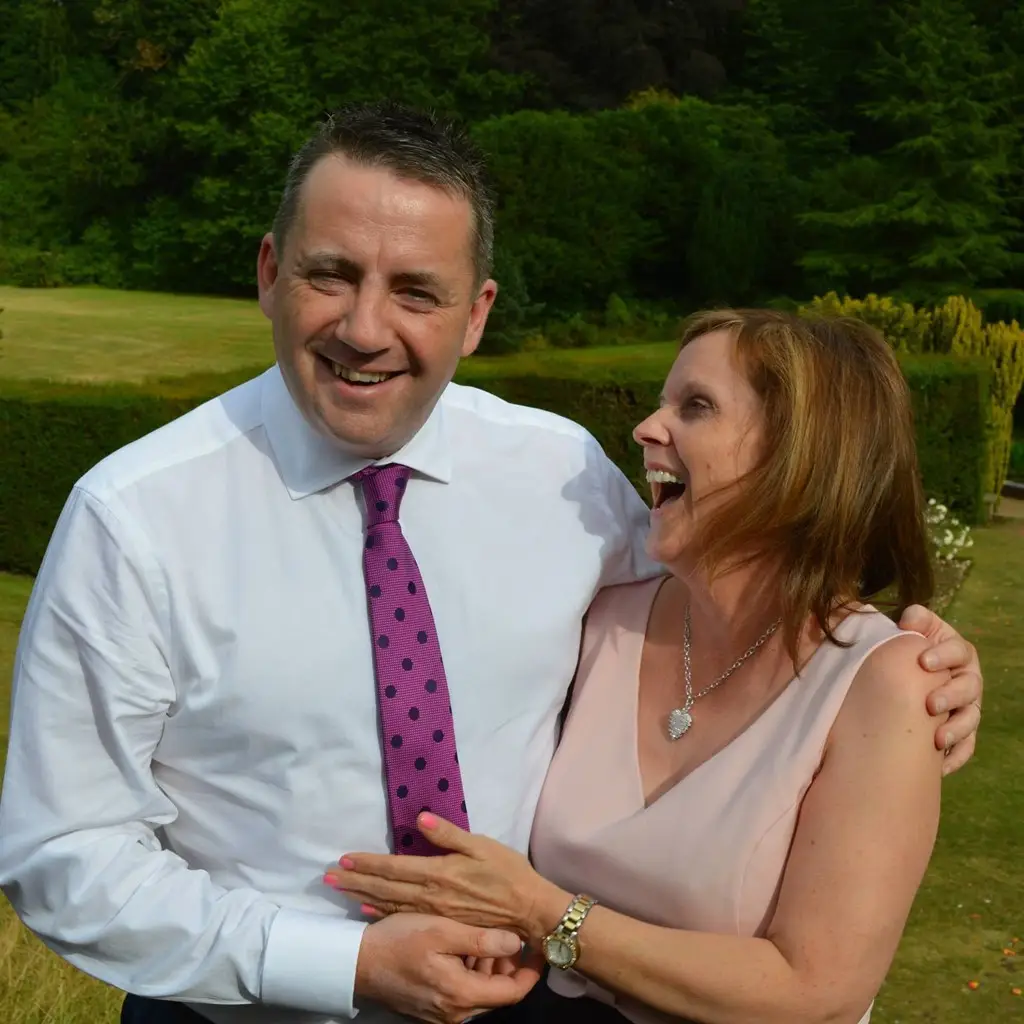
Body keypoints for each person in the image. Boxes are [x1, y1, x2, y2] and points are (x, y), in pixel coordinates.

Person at [0, 104, 981, 1024]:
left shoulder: (557, 475)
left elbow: (741, 585)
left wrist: (910, 668)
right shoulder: (135, 520)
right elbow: (63, 854)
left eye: (416, 291)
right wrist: (336, 964)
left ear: (476, 314)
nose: (365, 328)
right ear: (268, 270)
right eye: (330, 274)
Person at [325, 309, 974, 1024]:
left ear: (802, 454)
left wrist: (543, 913)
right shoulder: (605, 615)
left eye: (695, 407)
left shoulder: (887, 683)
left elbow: (816, 990)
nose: (645, 428)